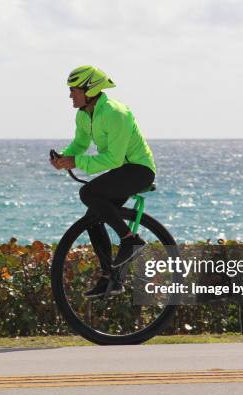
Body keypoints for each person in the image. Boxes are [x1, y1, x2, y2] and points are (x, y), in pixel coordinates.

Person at [50, 65, 157, 298]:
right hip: (122, 171)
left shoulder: (115, 113)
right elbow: (79, 144)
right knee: (93, 219)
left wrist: (76, 162)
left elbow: (114, 159)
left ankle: (131, 240)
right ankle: (111, 277)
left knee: (88, 193)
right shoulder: (83, 114)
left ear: (90, 90)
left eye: (74, 91)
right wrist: (64, 158)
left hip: (138, 169)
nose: (70, 95)